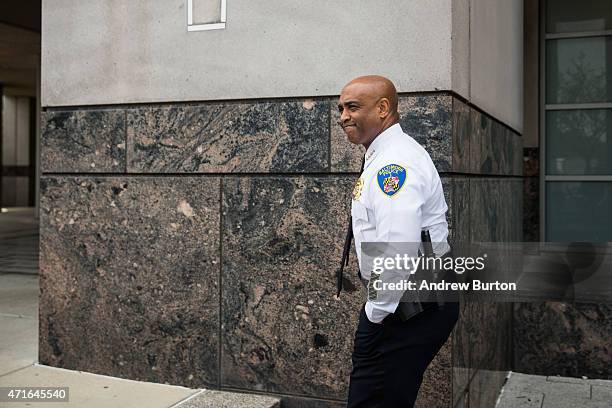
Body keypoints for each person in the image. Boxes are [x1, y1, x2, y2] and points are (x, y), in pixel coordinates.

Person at [337, 75, 459, 407]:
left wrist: (376, 313)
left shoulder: (393, 164)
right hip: (415, 299)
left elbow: (397, 246)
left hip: (407, 306)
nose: (343, 116)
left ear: (383, 108)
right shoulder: (387, 154)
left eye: (353, 106)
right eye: (341, 108)